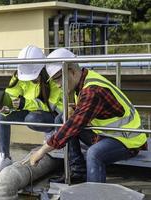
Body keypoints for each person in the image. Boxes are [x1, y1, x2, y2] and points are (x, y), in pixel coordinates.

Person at [27, 48, 147, 183]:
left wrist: (41, 152)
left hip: (128, 140)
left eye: (57, 79)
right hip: (109, 134)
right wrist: (75, 109)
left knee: (94, 154)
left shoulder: (92, 91)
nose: (58, 85)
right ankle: (78, 172)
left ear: (71, 71)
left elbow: (73, 126)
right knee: (62, 118)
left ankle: (94, 194)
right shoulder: (85, 78)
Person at [0, 45, 58, 174]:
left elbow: (51, 106)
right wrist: (4, 104)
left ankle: (51, 131)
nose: (31, 79)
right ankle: (4, 156)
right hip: (28, 108)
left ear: (42, 68)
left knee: (31, 119)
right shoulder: (19, 75)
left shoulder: (52, 76)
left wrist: (25, 103)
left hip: (49, 114)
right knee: (2, 116)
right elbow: (11, 93)